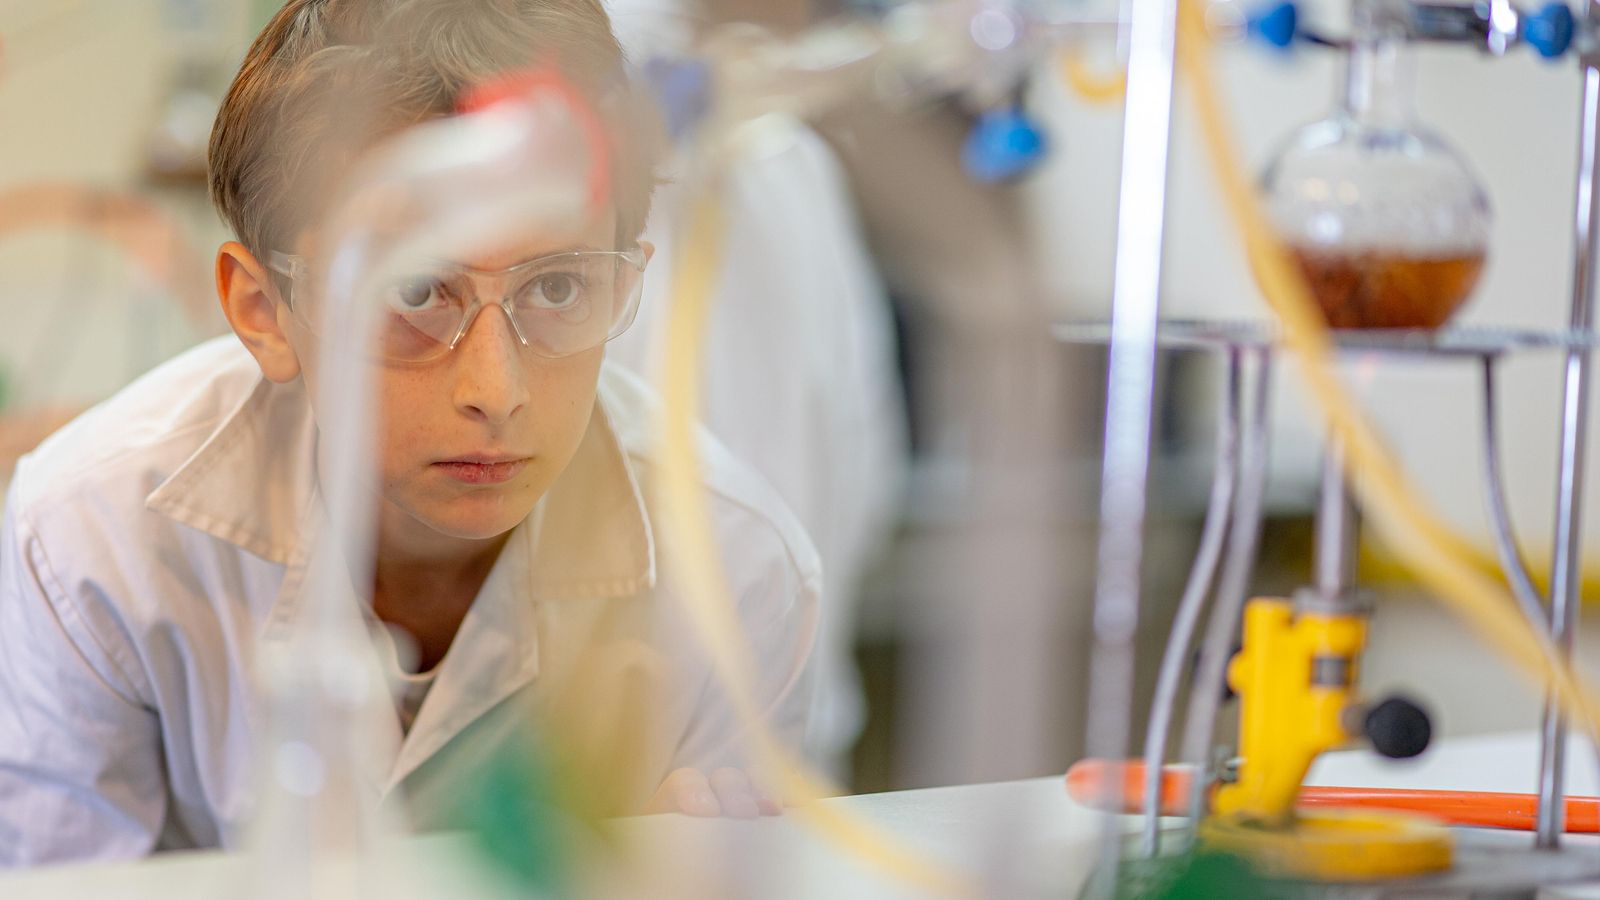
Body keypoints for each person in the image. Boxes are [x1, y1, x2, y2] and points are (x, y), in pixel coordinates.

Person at [0, 0, 818, 866]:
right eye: (416, 291)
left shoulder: (735, 571)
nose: (495, 392)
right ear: (264, 309)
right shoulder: (91, 539)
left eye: (559, 288)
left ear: (623, 283)